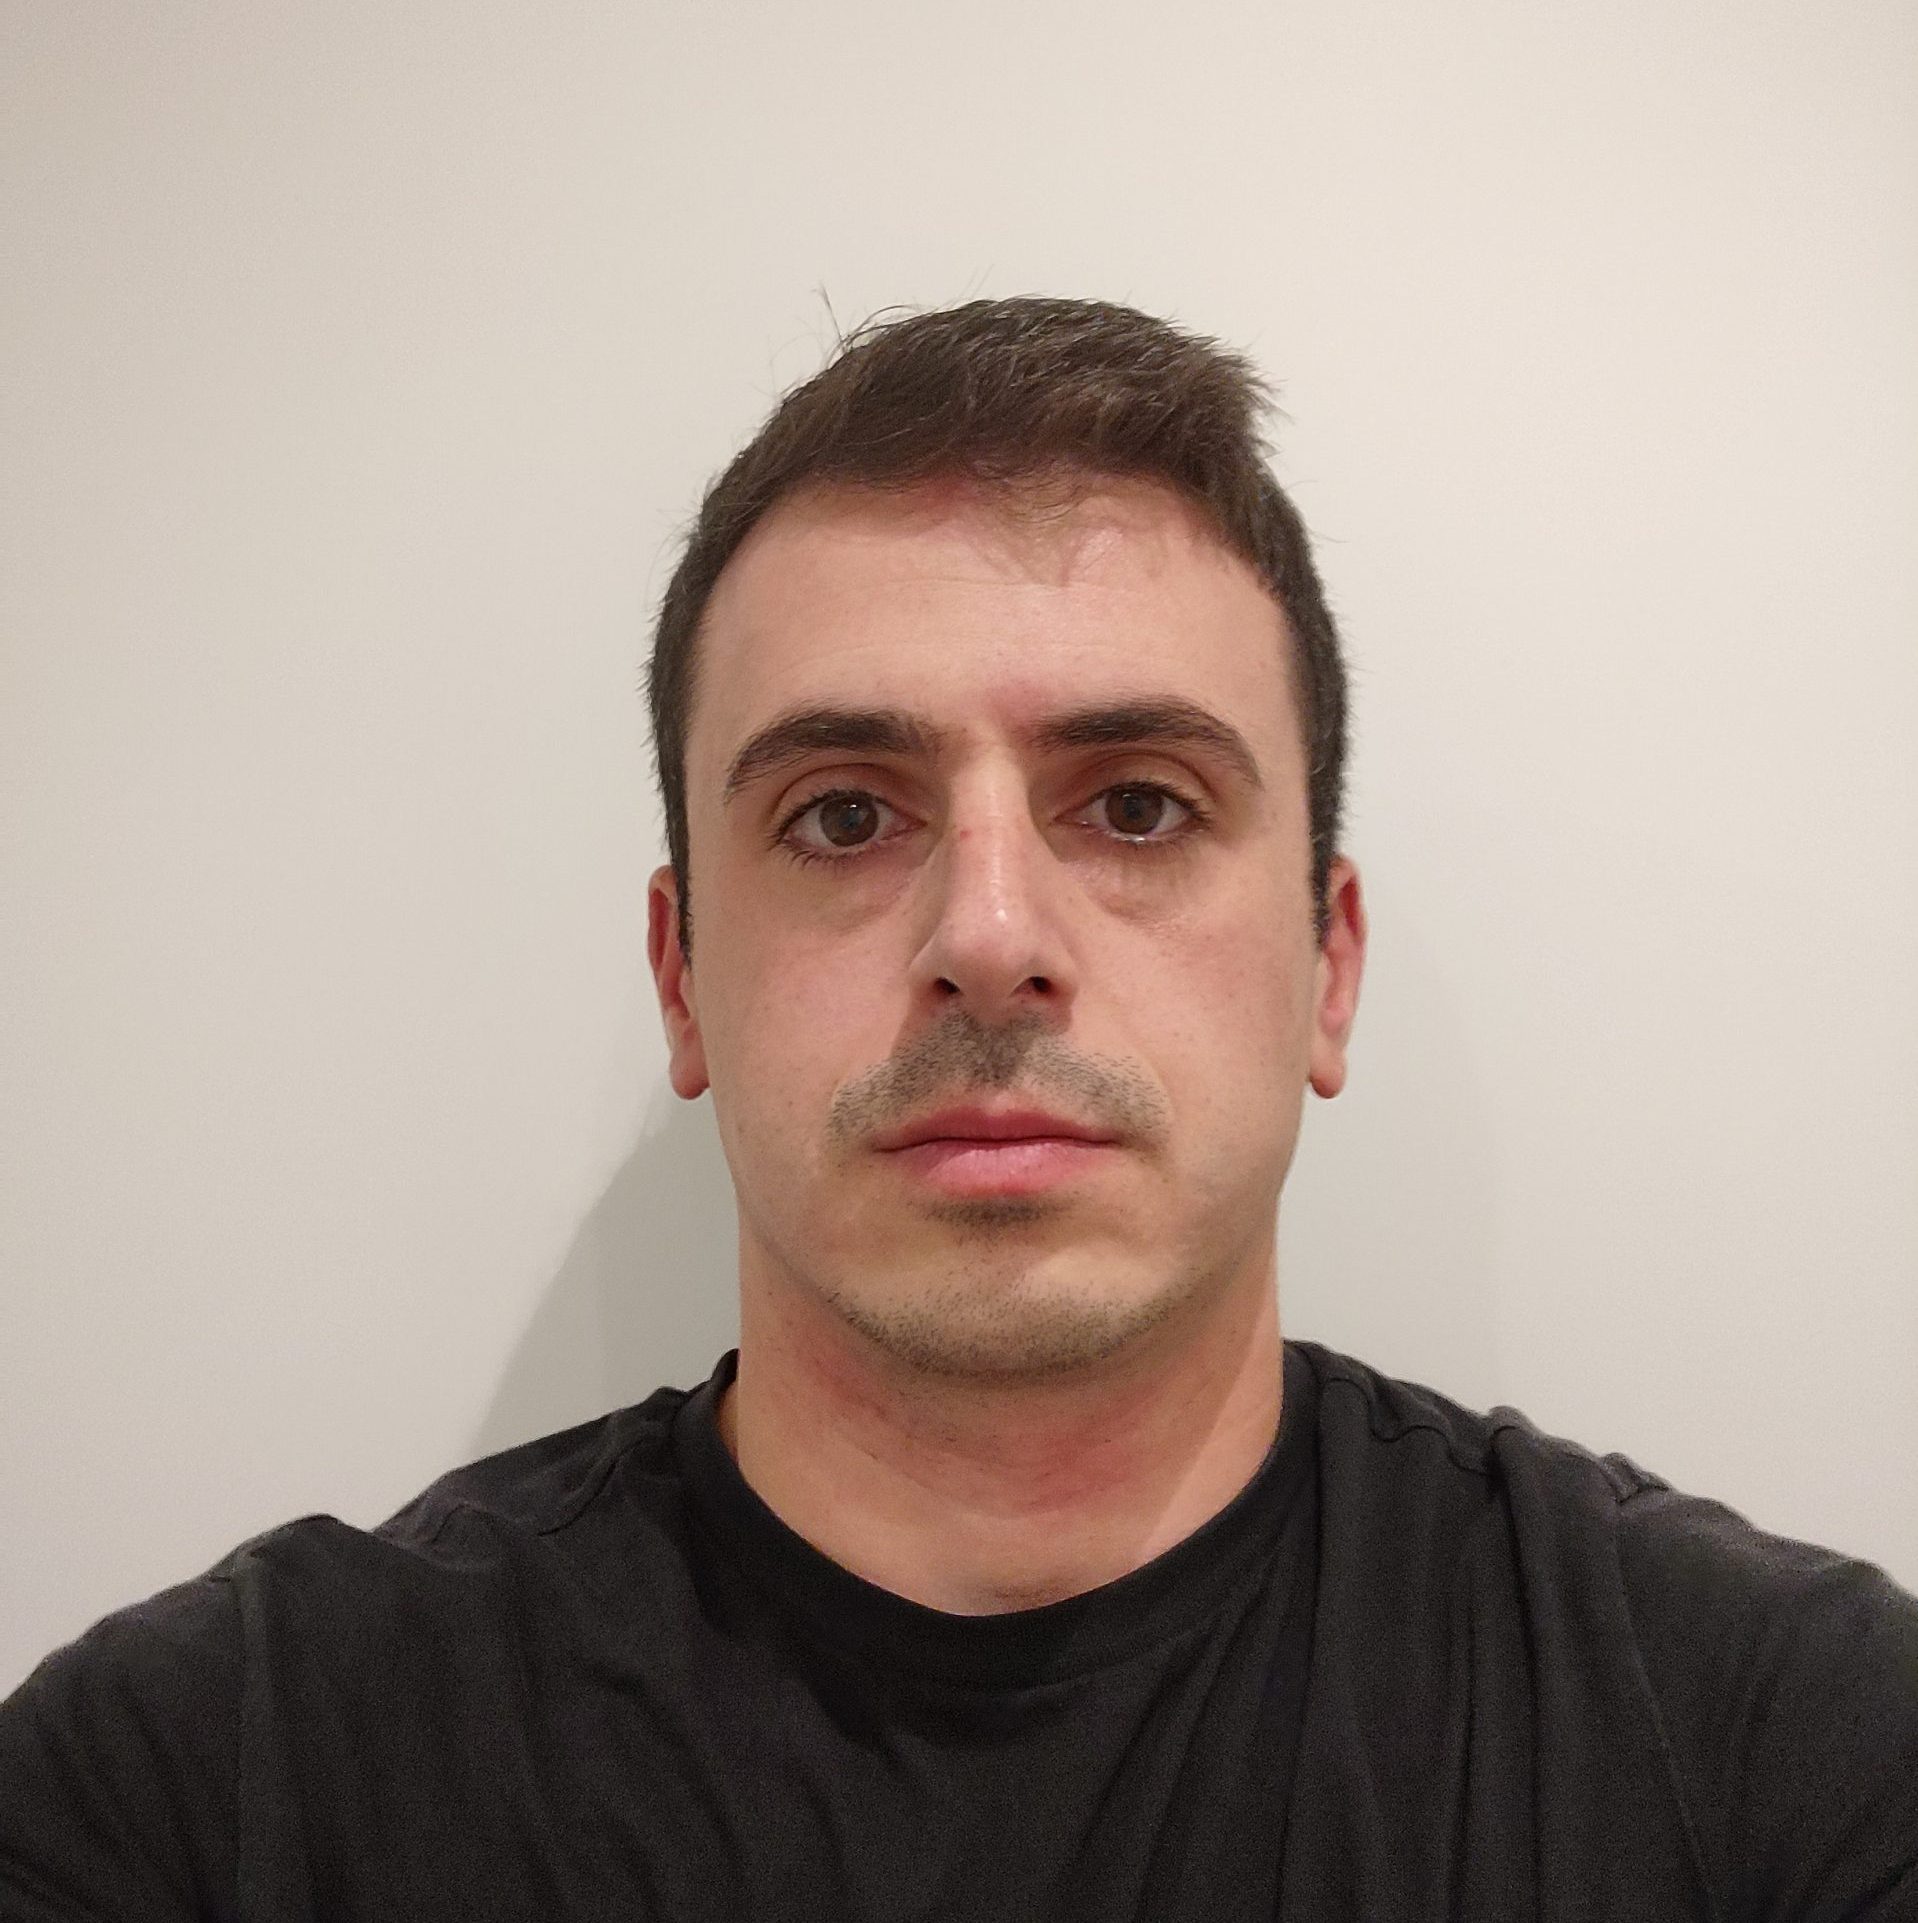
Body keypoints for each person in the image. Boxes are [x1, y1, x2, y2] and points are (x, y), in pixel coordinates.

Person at [4, 296, 1915, 1921]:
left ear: (1326, 968)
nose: (989, 939)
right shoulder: (203, 1792)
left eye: (1138, 805)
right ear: (681, 976)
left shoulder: (1781, 1749)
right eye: (844, 815)